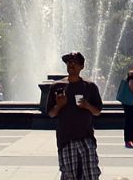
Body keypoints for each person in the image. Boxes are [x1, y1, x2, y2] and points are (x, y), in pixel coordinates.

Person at [46, 51, 102, 180]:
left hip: (86, 138)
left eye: (74, 62)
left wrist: (87, 106)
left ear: (82, 66)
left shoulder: (90, 87)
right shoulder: (57, 86)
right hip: (66, 139)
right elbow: (51, 114)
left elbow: (97, 111)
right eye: (68, 62)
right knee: (69, 175)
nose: (71, 65)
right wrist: (59, 105)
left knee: (91, 174)